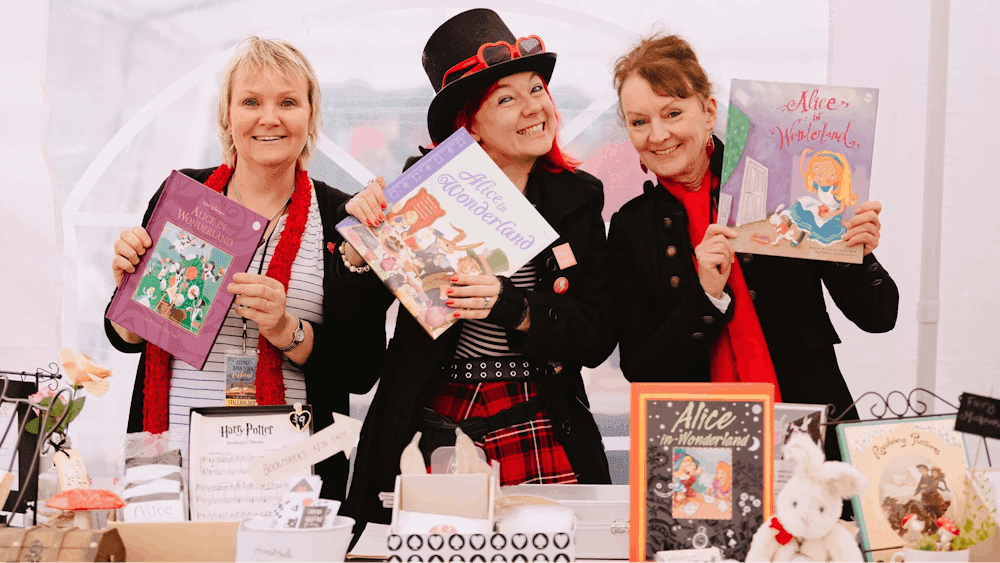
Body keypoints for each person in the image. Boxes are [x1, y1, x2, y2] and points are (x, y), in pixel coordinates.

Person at [342, 9, 615, 528]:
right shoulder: (421, 194)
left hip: (539, 412)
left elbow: (598, 334)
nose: (533, 107)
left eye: (536, 89)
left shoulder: (577, 199)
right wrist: (359, 247)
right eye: (506, 99)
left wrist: (514, 306)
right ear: (469, 125)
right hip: (436, 413)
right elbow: (355, 332)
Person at [104, 37, 388, 500]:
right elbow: (125, 336)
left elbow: (360, 370)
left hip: (295, 479)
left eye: (288, 102)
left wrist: (287, 329)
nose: (269, 117)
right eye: (251, 101)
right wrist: (129, 292)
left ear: (311, 116)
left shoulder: (342, 219)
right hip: (174, 465)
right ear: (227, 116)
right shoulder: (185, 199)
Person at [606, 33, 899, 468]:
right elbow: (640, 368)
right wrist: (705, 295)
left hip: (811, 435)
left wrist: (859, 251)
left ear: (708, 112)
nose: (658, 135)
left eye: (672, 113)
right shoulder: (631, 226)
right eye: (639, 122)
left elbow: (879, 317)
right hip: (700, 451)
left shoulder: (784, 184)